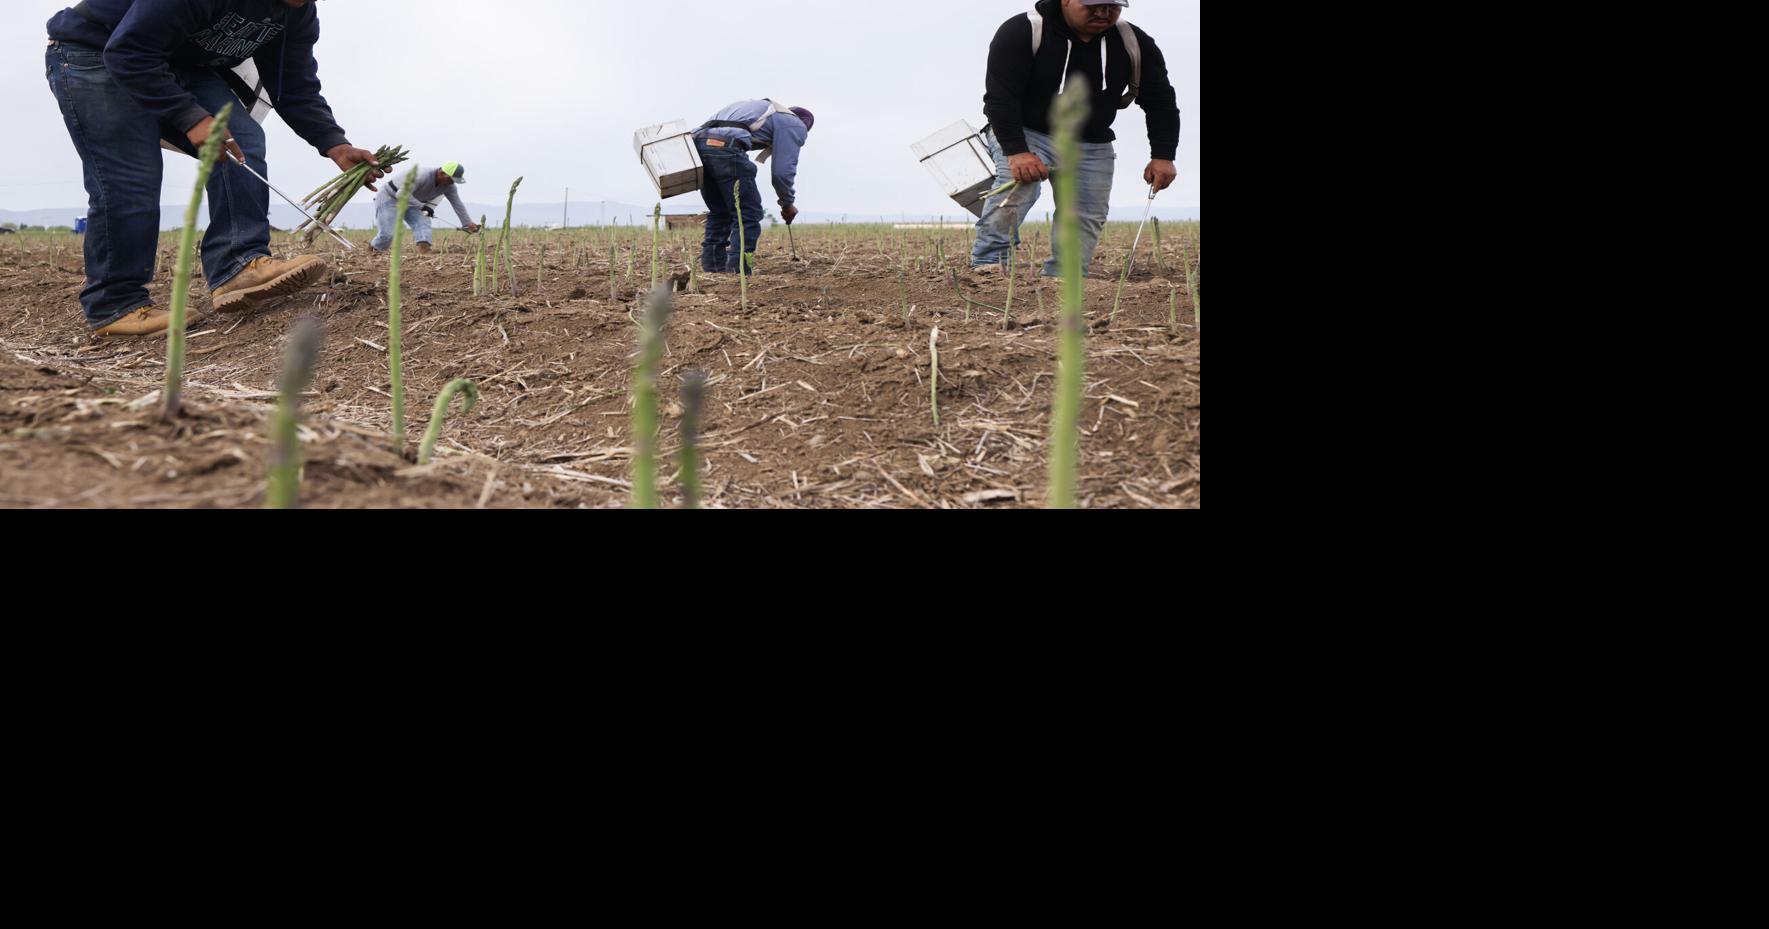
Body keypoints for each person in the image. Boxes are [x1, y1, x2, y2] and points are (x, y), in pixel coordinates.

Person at [44, 0, 382, 336]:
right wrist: (190, 117)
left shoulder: (297, 13)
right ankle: (115, 303)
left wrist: (335, 144)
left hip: (178, 61)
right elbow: (128, 52)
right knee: (131, 179)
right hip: (96, 50)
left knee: (243, 141)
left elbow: (293, 86)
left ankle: (237, 265)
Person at [970, 0, 1179, 277]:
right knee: (1017, 186)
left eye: (1112, 6)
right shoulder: (1022, 30)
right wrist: (1017, 151)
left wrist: (1163, 155)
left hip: (1091, 142)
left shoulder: (1133, 42)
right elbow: (1000, 98)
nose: (1103, 13)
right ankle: (988, 268)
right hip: (1026, 131)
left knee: (1086, 214)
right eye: (1093, 5)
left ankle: (1064, 277)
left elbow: (1161, 100)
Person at [691, 99, 813, 274]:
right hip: (725, 146)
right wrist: (787, 203)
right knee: (746, 213)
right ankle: (738, 271)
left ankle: (713, 270)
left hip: (698, 145)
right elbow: (782, 172)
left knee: (721, 212)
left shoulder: (769, 113)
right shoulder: (795, 124)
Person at [370, 162, 479, 254]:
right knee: (388, 233)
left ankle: (424, 255)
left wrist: (467, 223)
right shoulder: (422, 175)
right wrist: (423, 207)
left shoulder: (449, 187)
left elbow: (457, 204)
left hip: (413, 202)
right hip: (390, 197)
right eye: (450, 180)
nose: (451, 183)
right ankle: (373, 251)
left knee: (424, 228)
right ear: (441, 173)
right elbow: (401, 194)